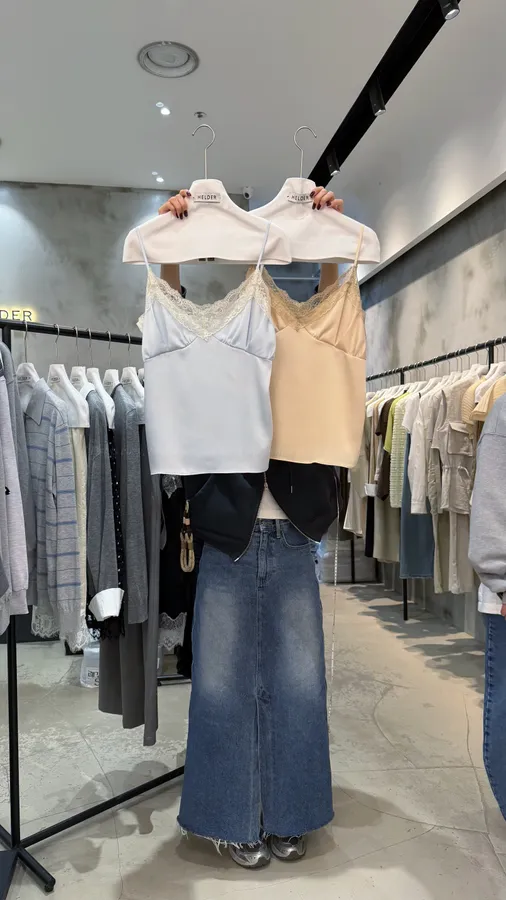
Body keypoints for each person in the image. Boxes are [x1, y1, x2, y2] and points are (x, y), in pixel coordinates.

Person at [155, 188, 344, 869]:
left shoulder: (298, 338)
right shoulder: (219, 341)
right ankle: (231, 816)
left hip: (293, 530)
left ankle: (289, 810)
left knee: (299, 682)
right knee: (220, 684)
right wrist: (171, 246)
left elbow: (332, 325)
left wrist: (330, 236)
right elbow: (168, 329)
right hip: (227, 533)